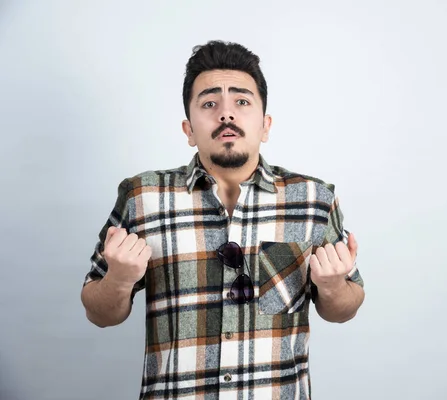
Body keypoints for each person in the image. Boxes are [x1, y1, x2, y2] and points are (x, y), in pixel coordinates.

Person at [80, 40, 365, 400]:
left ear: (265, 125)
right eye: (210, 103)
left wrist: (335, 285)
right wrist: (119, 280)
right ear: (188, 129)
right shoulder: (142, 197)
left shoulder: (313, 200)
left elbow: (345, 309)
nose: (226, 115)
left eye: (242, 102)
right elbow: (98, 312)